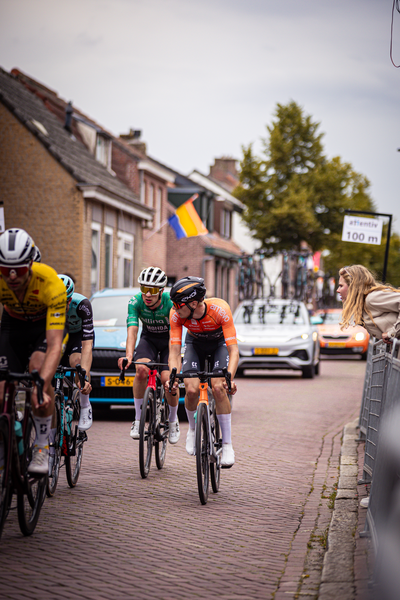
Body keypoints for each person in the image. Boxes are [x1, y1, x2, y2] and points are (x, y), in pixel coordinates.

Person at [0, 228, 67, 475]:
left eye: (19, 268)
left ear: (30, 263)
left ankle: (40, 447)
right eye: (6, 270)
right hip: (12, 325)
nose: (13, 276)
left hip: (43, 327)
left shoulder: (50, 282)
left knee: (38, 373)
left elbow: (54, 345)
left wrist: (41, 384)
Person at [167, 276, 238, 467]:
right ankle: (192, 430)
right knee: (190, 390)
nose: (174, 308)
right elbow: (174, 350)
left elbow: (233, 350)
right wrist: (173, 374)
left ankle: (227, 444)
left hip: (219, 345)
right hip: (194, 345)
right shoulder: (176, 315)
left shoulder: (220, 309)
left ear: (193, 303)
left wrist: (229, 377)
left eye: (177, 304)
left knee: (218, 387)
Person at [117, 267, 180, 444]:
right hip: (149, 340)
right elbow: (132, 331)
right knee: (141, 371)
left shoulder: (170, 303)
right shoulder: (135, 302)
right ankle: (138, 420)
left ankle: (173, 421)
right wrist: (129, 356)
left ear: (161, 291)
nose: (148, 294)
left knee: (169, 381)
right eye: (144, 288)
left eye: (152, 290)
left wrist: (173, 362)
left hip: (169, 342)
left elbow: (176, 336)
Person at [57, 274, 94, 431]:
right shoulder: (44, 305)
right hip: (58, 333)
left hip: (78, 337)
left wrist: (83, 376)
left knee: (76, 362)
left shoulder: (82, 305)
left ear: (70, 300)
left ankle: (85, 406)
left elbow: (87, 345)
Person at [338, 265, 400, 343]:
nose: (338, 290)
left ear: (353, 286)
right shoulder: (363, 305)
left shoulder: (372, 298)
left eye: (341, 286)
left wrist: (392, 333)